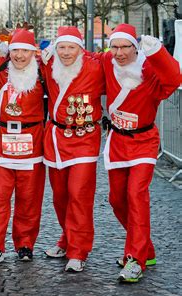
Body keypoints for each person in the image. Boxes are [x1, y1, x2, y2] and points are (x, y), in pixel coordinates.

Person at [98, 24, 180, 282]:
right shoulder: (106, 63)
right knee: (116, 200)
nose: (119, 53)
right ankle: (147, 249)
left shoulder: (149, 71)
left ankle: (135, 259)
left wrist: (157, 52)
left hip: (144, 140)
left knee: (136, 195)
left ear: (135, 47)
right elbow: (79, 59)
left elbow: (174, 78)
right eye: (115, 47)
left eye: (125, 47)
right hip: (117, 142)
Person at [40, 26, 105, 272]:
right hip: (56, 138)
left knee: (79, 195)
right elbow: (18, 55)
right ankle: (67, 239)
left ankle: (78, 250)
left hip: (84, 138)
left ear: (81, 48)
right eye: (62, 47)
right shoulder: (48, 64)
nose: (66, 53)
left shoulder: (95, 66)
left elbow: (122, 62)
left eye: (71, 48)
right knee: (60, 197)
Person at [0, 28, 46, 267]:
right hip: (1, 143)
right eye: (16, 50)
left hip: (32, 144)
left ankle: (25, 244)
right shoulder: (0, 67)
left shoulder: (43, 72)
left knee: (29, 199)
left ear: (33, 53)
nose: (20, 56)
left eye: (25, 51)